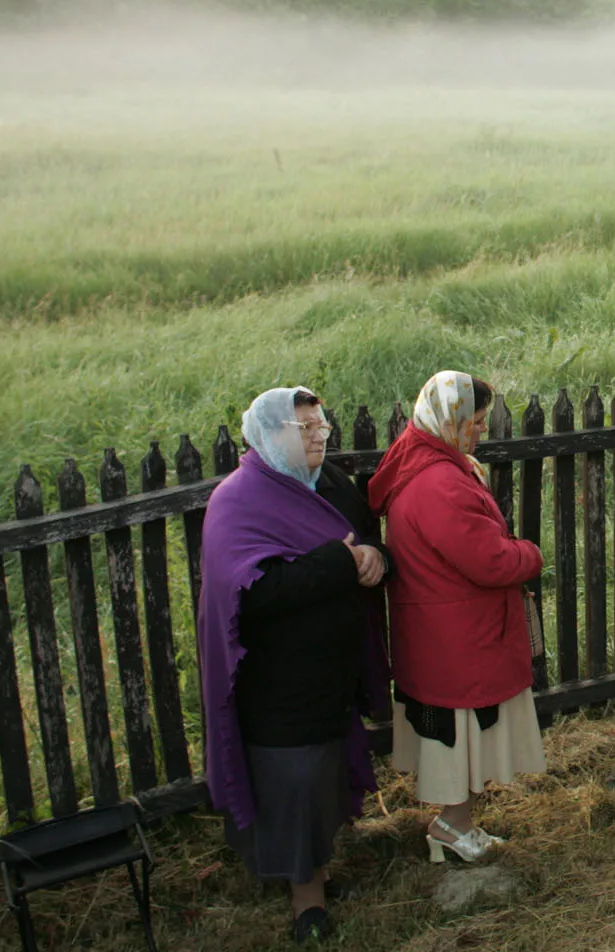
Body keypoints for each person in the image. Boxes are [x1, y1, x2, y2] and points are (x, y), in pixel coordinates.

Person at [198, 386, 390, 943]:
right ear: (268, 435)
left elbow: (368, 537)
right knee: (294, 779)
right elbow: (253, 592)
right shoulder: (239, 500)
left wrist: (378, 556)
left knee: (324, 773)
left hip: (332, 670)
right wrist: (340, 561)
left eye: (321, 427)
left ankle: (319, 874)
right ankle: (306, 902)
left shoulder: (329, 485)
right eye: (302, 429)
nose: (317, 437)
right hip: (275, 680)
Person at [368, 371, 545, 863]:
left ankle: (457, 824)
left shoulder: (420, 462)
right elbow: (488, 560)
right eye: (477, 421)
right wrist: (530, 555)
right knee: (460, 734)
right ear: (450, 418)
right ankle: (451, 827)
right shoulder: (439, 482)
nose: (482, 431)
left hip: (443, 629)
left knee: (457, 731)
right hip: (457, 636)